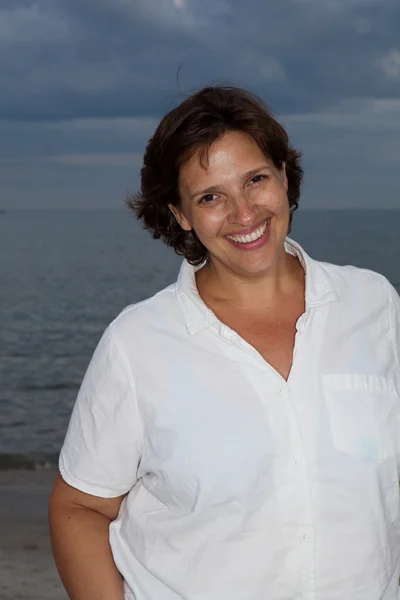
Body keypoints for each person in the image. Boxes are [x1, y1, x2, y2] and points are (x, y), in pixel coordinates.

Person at [49, 86, 400, 600]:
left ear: (283, 176)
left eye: (255, 180)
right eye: (210, 196)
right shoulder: (138, 343)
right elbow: (79, 506)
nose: (243, 213)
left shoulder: (374, 303)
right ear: (181, 214)